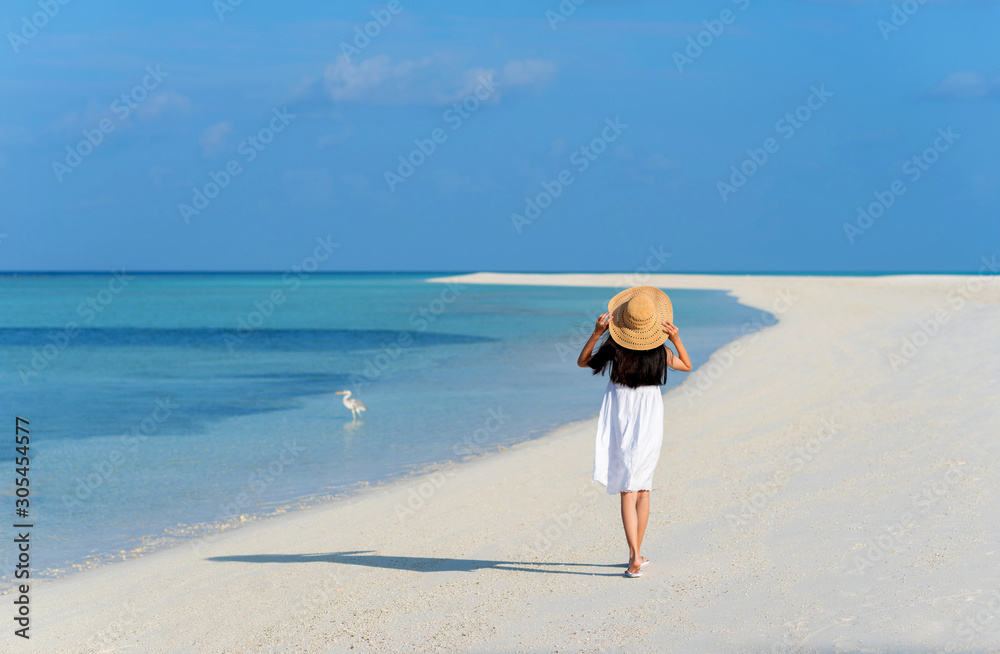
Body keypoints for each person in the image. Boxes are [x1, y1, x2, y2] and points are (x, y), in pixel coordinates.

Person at [576, 286, 692, 578]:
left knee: (627, 489)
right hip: (651, 417)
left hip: (622, 415)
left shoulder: (614, 349)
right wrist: (676, 339)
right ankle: (635, 553)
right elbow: (687, 365)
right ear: (653, 325)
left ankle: (635, 558)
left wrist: (595, 332)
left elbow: (583, 361)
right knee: (642, 487)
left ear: (623, 322)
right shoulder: (660, 350)